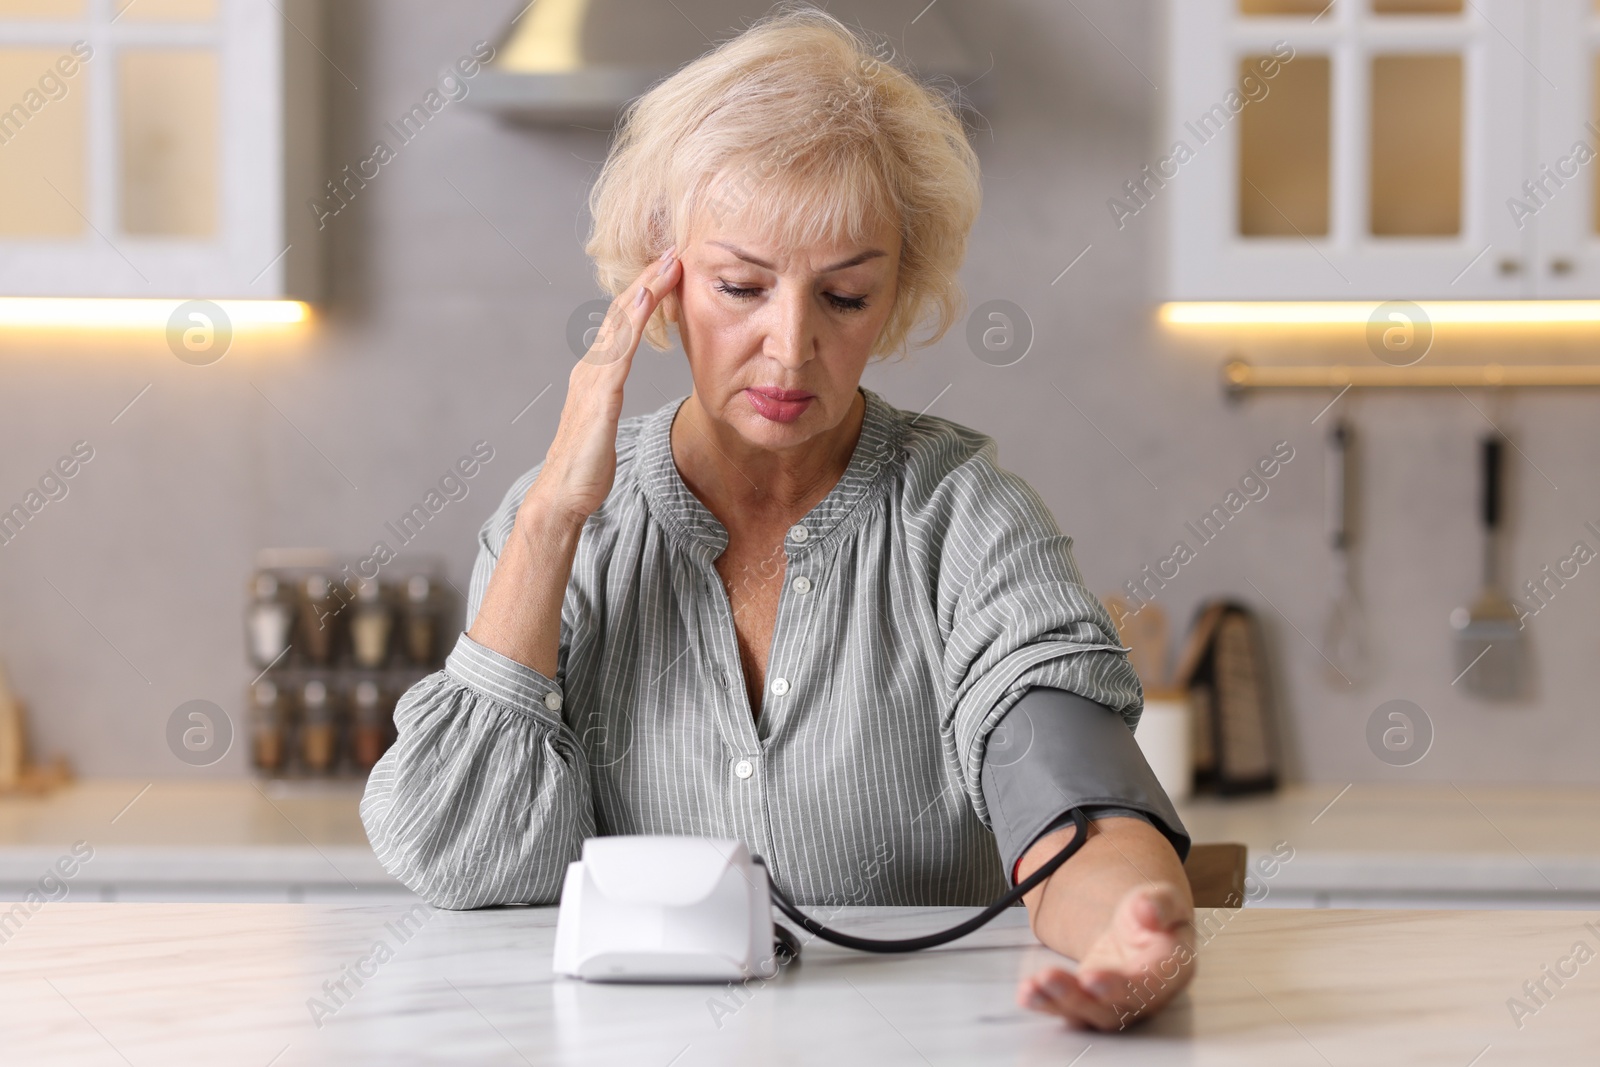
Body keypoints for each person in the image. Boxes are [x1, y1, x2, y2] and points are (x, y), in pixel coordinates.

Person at [361, 5, 1195, 1030]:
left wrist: (1133, 929)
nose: (790, 347)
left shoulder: (965, 516)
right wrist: (549, 520)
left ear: (893, 298)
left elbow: (1076, 808)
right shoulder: (563, 527)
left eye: (843, 296)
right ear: (658, 282)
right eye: (741, 286)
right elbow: (463, 860)